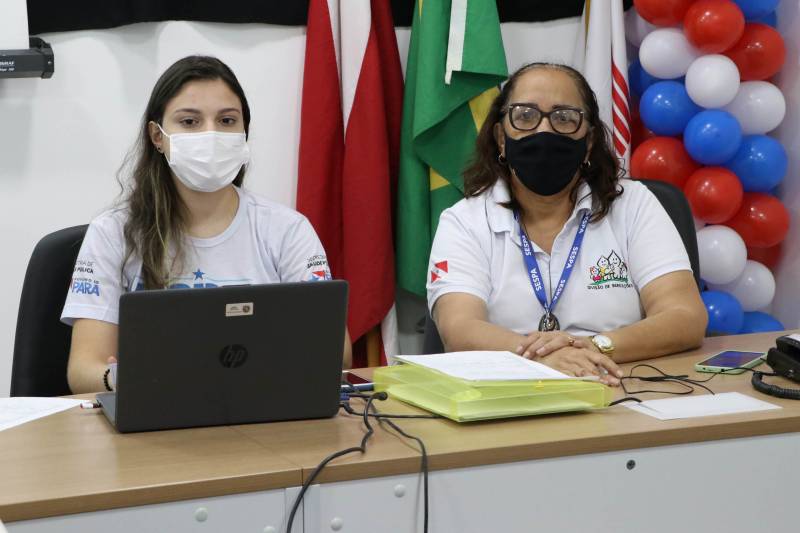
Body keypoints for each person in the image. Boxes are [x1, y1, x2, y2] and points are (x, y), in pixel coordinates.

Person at [62, 56, 351, 394]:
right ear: (157, 136)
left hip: (262, 411)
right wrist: (125, 378)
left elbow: (336, 353)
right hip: (152, 418)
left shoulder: (287, 230)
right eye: (190, 122)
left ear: (244, 133)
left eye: (227, 120)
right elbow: (82, 371)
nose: (211, 134)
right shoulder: (112, 233)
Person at [427, 62, 707, 386]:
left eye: (564, 118)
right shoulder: (464, 221)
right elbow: (459, 329)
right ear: (502, 138)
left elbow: (685, 317)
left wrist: (593, 347)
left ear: (588, 141)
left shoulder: (634, 204)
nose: (544, 131)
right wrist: (543, 358)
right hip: (507, 394)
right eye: (525, 115)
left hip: (618, 385)